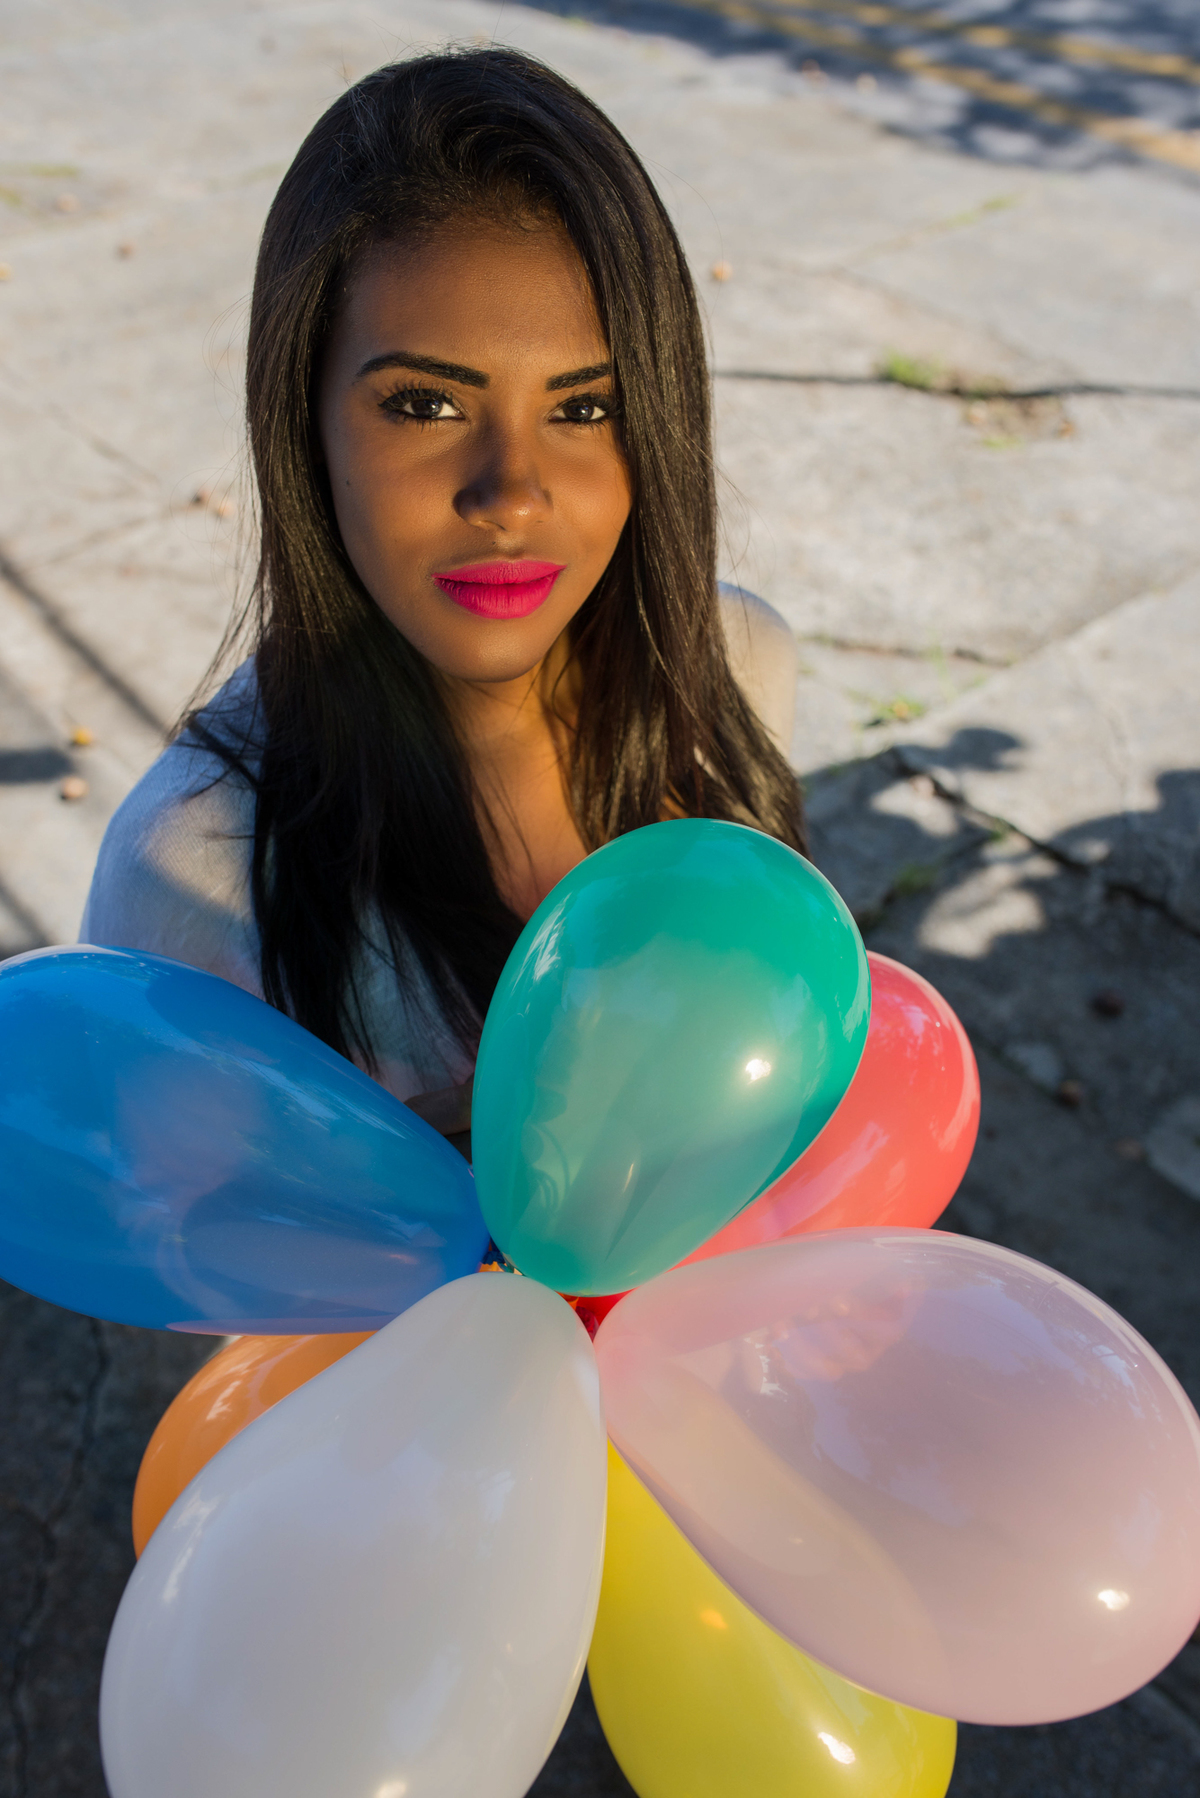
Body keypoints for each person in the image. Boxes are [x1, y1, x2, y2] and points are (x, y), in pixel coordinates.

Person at [81, 47, 804, 1150]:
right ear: (304, 424)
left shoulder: (735, 666)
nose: (511, 495)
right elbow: (186, 1276)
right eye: (423, 404)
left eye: (586, 408)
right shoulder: (191, 878)